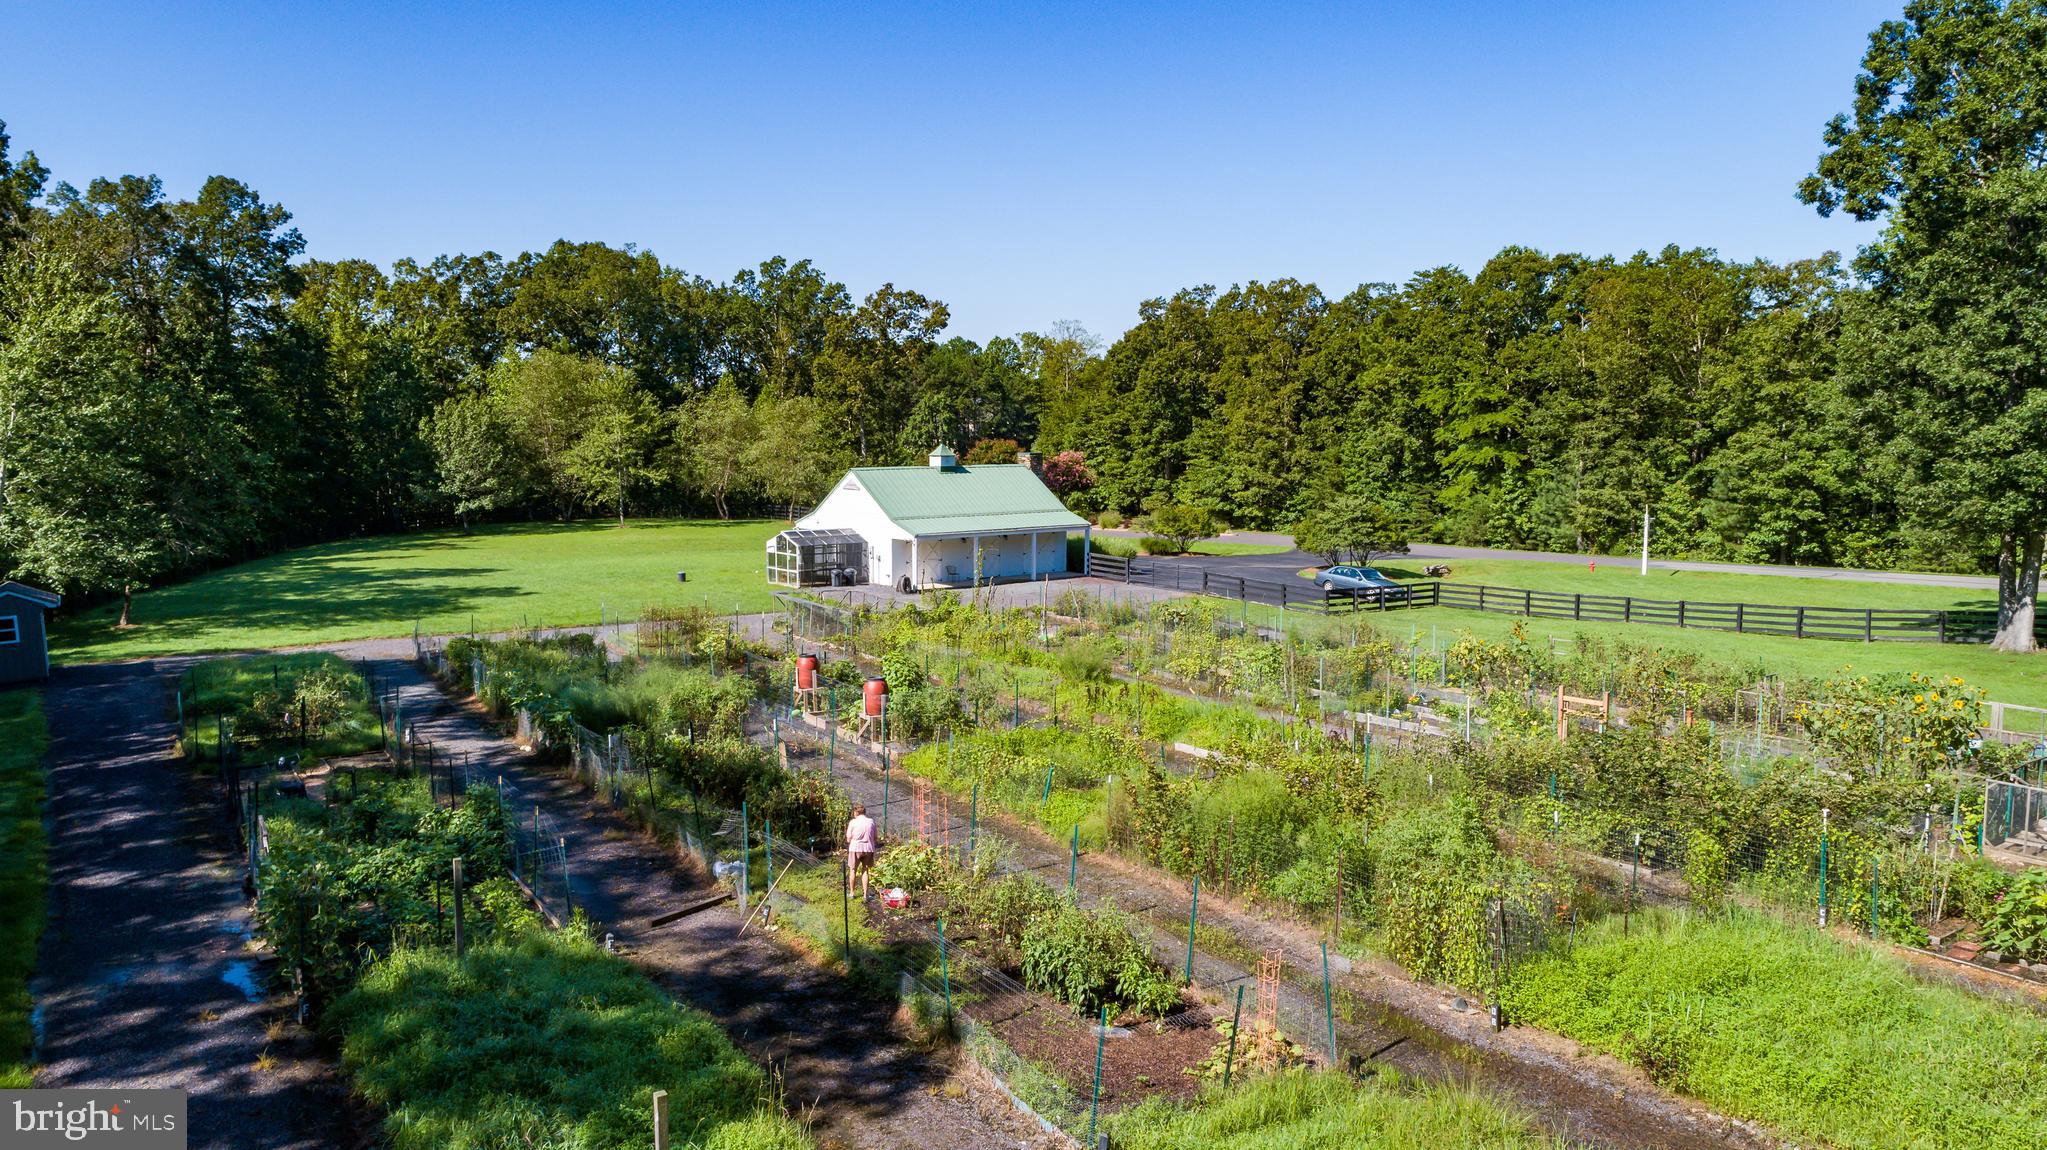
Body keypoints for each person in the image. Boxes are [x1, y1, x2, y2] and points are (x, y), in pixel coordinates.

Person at [845, 805, 878, 899]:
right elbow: (875, 838)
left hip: (855, 848)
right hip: (868, 848)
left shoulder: (853, 822)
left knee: (853, 870)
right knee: (865, 870)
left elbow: (848, 839)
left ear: (856, 812)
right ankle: (865, 895)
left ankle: (852, 893)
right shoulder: (871, 821)